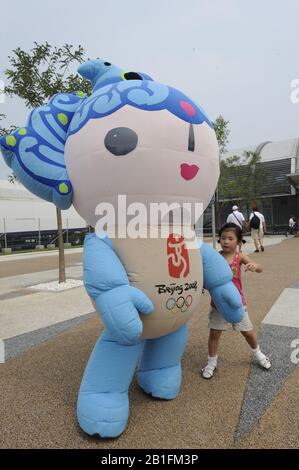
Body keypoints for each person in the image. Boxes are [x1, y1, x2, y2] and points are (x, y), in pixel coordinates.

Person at [201, 223, 271, 379]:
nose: (225, 241)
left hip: (238, 304)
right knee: (214, 333)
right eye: (223, 238)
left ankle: (258, 353)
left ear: (239, 242)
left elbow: (260, 268)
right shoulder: (216, 257)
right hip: (217, 305)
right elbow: (204, 274)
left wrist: (255, 265)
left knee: (248, 332)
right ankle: (211, 362)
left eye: (230, 238)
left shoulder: (240, 257)